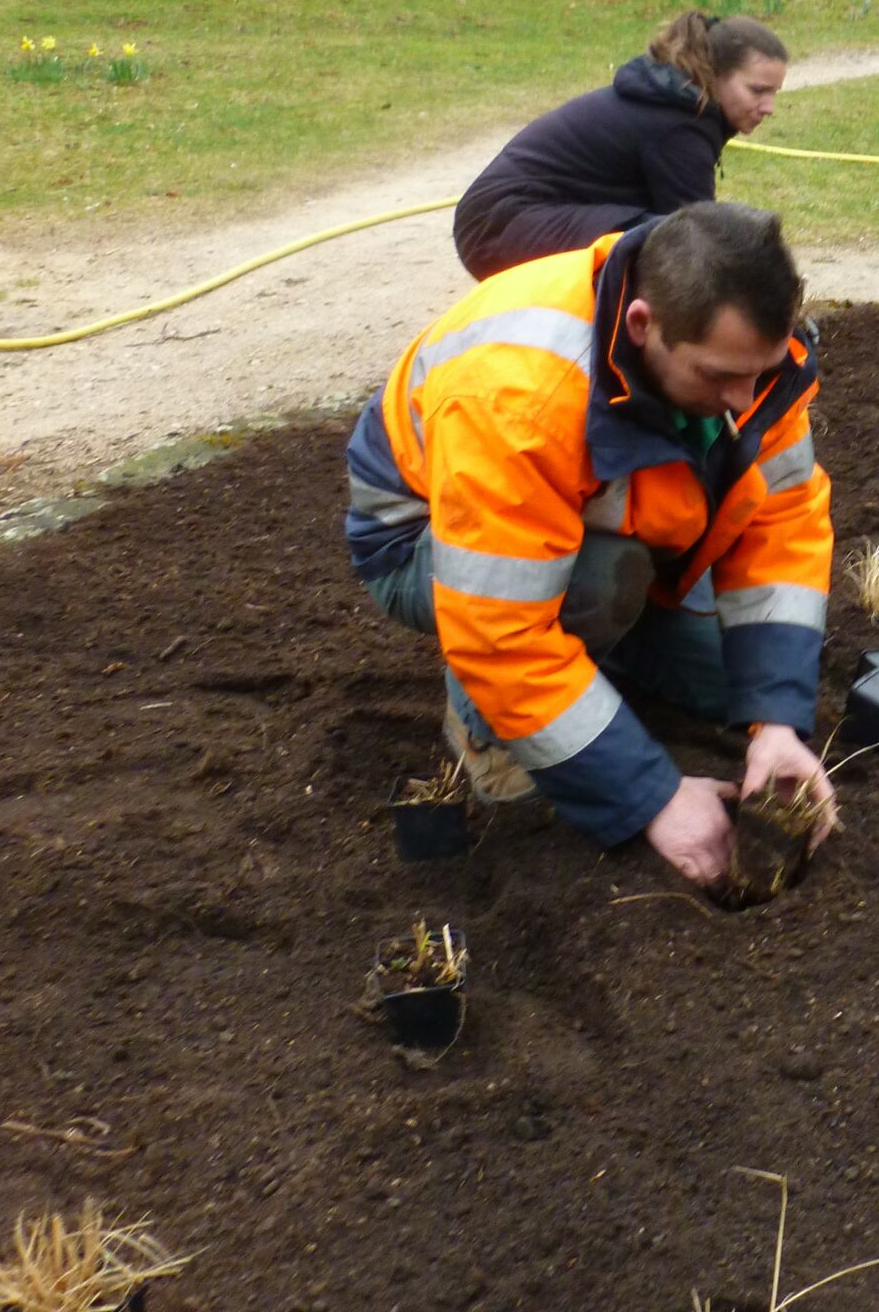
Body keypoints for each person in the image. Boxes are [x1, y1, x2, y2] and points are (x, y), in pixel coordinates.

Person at [344, 200, 835, 887]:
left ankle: (602, 652)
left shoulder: (749, 365)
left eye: (761, 370)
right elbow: (500, 630)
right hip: (421, 540)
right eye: (720, 376)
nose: (743, 397)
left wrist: (778, 723)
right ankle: (484, 729)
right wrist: (653, 798)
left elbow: (781, 522)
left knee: (743, 678)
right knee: (606, 582)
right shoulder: (519, 394)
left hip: (610, 522)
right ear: (642, 326)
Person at [453, 10, 789, 280]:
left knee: (664, 237)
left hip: (506, 219)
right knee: (672, 244)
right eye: (757, 91)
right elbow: (699, 243)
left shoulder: (679, 102)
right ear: (715, 75)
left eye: (774, 93)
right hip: (497, 225)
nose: (769, 108)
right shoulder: (678, 124)